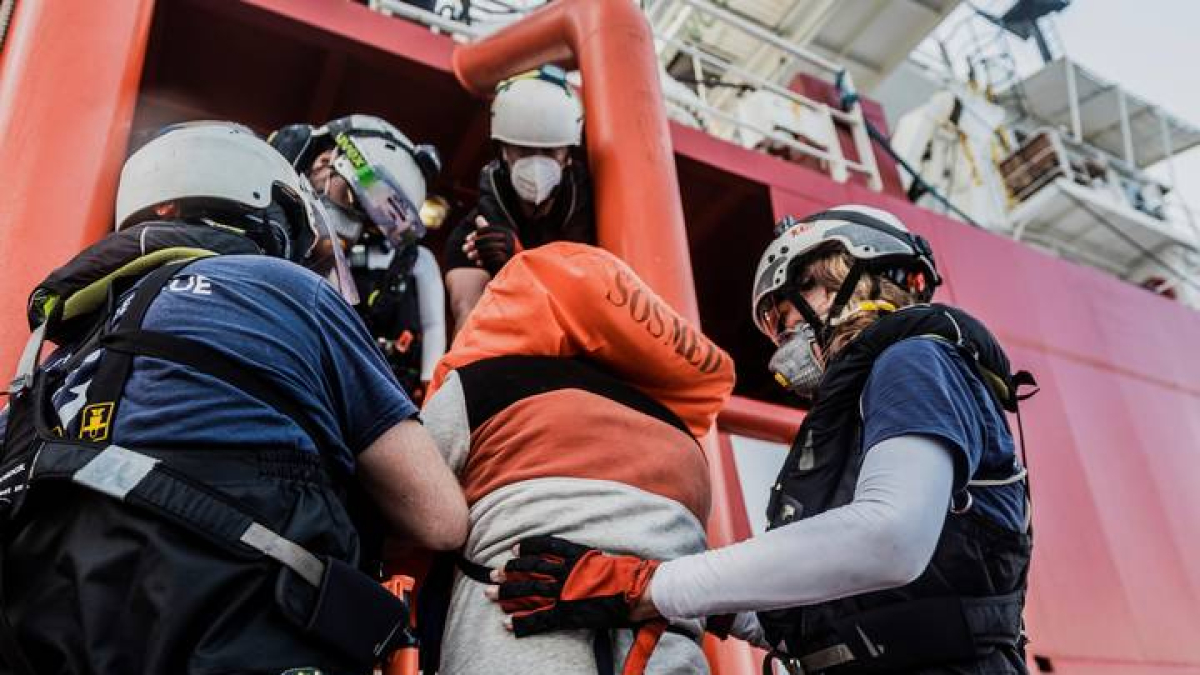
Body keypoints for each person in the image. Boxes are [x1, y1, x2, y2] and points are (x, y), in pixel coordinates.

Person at [0, 121, 468, 675]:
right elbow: (439, 518)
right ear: (269, 214)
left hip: (36, 610)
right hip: (231, 619)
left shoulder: (56, 354)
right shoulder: (292, 290)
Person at [491, 206, 1034, 675]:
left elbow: (890, 538)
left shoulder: (914, 360)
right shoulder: (877, 397)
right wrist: (679, 587)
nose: (782, 339)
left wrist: (649, 585)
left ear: (846, 272)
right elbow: (808, 623)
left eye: (787, 311)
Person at [420, 243, 735, 675]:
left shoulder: (479, 386)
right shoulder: (687, 443)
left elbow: (408, 507)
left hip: (514, 638)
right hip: (665, 648)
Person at [270, 114, 446, 402]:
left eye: (371, 218)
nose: (357, 223)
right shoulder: (277, 215)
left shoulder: (413, 259)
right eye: (355, 200)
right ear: (325, 160)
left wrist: (430, 388)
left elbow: (434, 325)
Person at [443, 65, 595, 334]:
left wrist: (517, 262)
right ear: (502, 151)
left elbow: (592, 300)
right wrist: (498, 275)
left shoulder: (596, 215)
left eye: (550, 152)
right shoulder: (470, 239)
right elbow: (470, 318)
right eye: (523, 150)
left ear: (568, 154)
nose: (537, 164)